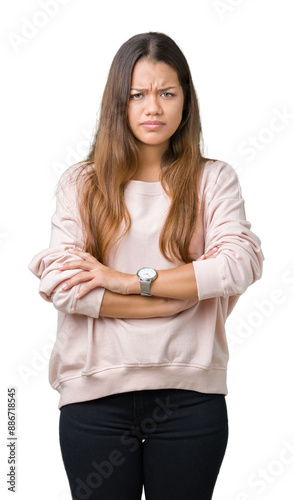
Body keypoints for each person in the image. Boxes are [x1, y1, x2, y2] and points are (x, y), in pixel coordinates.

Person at [28, 31, 264, 500]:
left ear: (184, 101)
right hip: (94, 398)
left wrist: (128, 280)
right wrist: (169, 300)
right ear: (119, 102)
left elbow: (239, 263)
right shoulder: (82, 182)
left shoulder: (213, 179)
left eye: (166, 93)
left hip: (190, 397)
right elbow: (60, 282)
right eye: (137, 94)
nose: (152, 107)